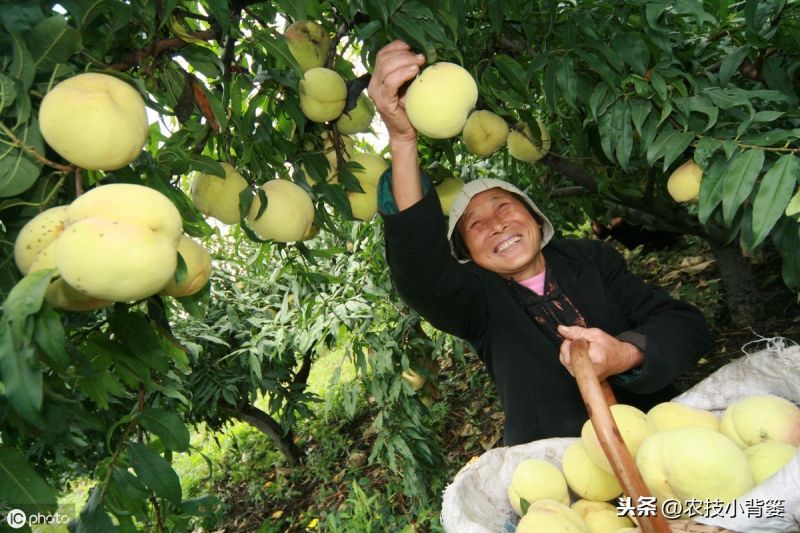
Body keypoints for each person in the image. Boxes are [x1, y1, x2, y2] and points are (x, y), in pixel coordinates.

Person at [367, 41, 712, 446]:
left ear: (534, 217)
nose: (496, 225)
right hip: (562, 470)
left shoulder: (591, 260)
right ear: (468, 255)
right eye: (474, 225)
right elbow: (420, 266)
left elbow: (685, 326)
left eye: (504, 207)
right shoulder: (477, 304)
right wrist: (403, 141)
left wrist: (625, 354)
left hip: (661, 440)